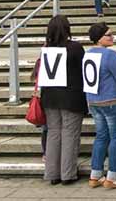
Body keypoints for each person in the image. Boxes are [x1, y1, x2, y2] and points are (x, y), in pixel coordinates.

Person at [40, 15, 86, 186]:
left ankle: (52, 174)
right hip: (71, 97)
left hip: (50, 99)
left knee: (53, 134)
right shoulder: (75, 48)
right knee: (70, 135)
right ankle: (68, 174)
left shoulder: (46, 49)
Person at [84, 22, 116, 189]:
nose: (112, 37)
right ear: (99, 38)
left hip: (94, 101)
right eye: (108, 35)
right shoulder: (109, 55)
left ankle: (95, 175)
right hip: (113, 101)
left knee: (101, 136)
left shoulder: (87, 54)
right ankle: (113, 177)